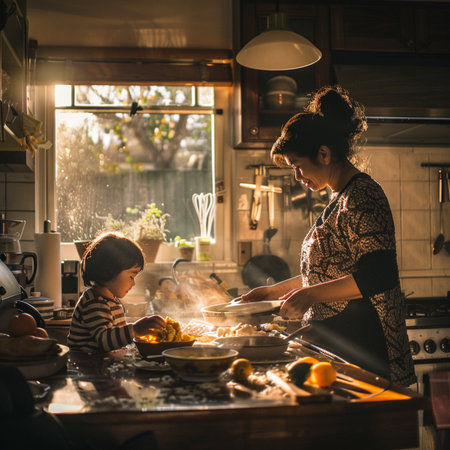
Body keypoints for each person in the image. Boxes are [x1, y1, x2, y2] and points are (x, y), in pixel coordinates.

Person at [241, 85, 416, 386]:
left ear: (323, 153)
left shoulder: (363, 196)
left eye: (297, 165)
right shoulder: (338, 199)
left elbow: (378, 275)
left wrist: (308, 295)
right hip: (339, 348)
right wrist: (268, 294)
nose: (297, 177)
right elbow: (328, 273)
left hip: (367, 351)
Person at [67, 231, 165, 354]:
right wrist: (135, 329)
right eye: (131, 276)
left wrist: (140, 333)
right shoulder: (94, 303)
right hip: (87, 366)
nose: (133, 283)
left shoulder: (110, 300)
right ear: (109, 271)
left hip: (102, 365)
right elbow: (105, 340)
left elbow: (116, 334)